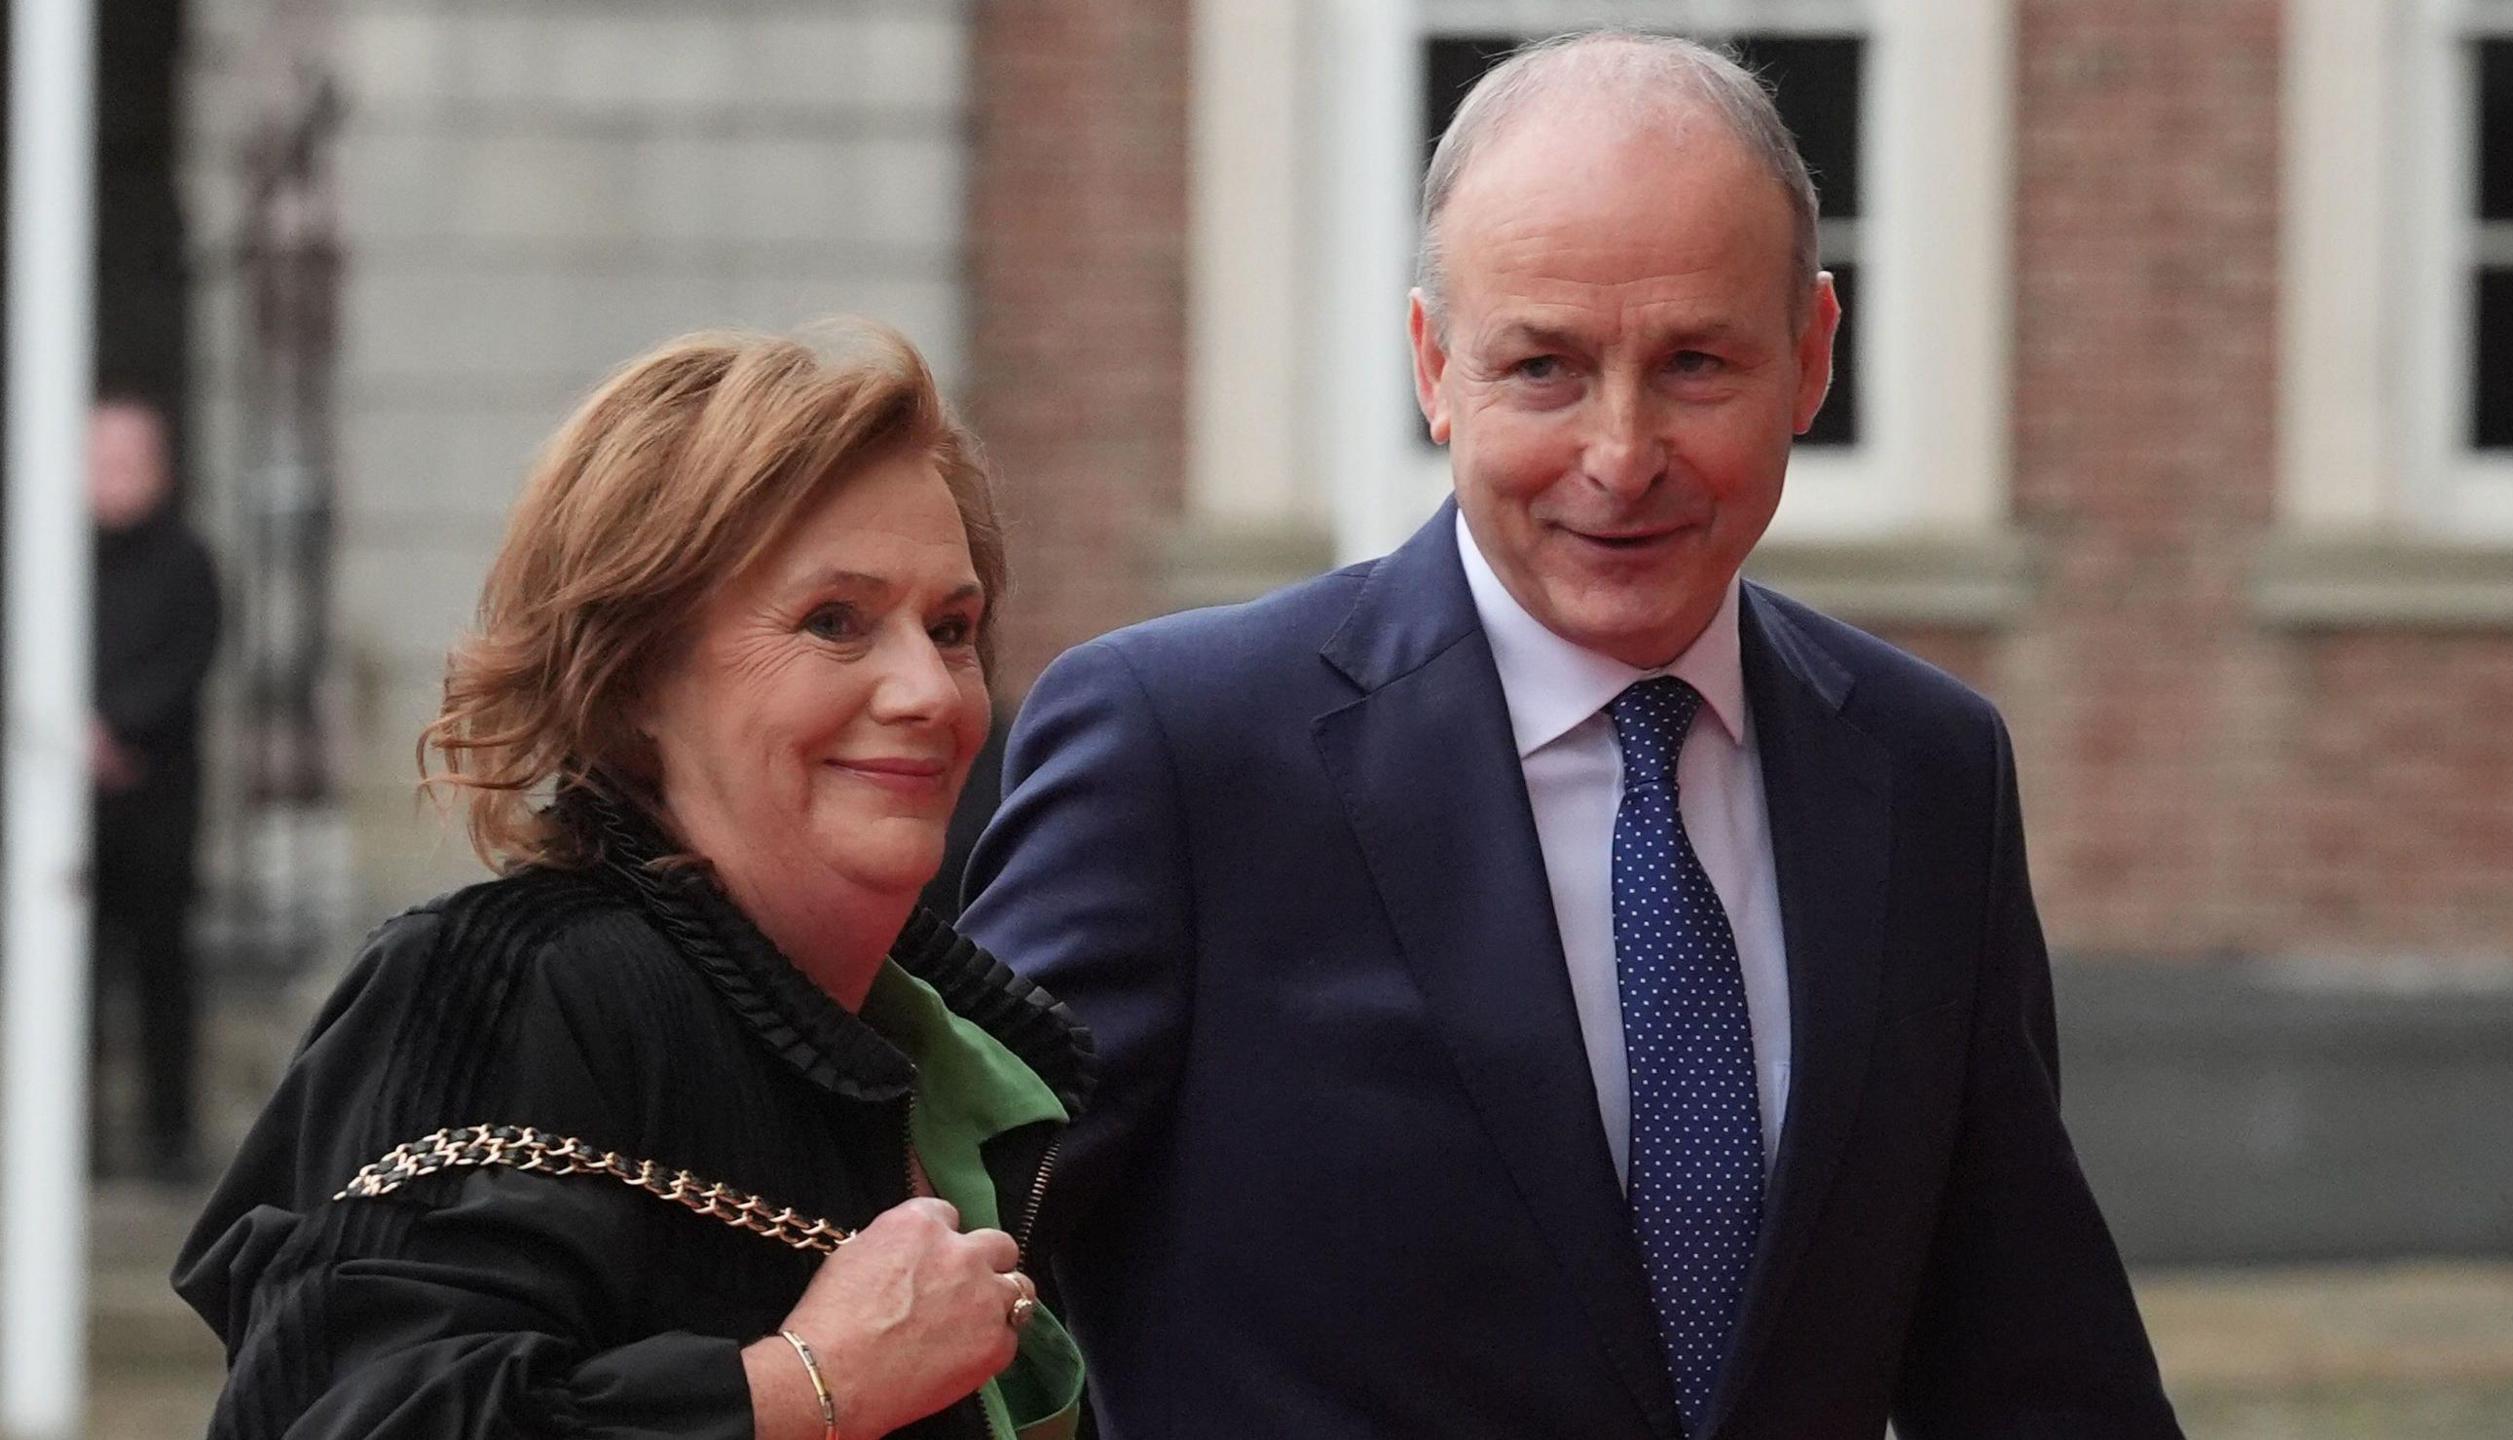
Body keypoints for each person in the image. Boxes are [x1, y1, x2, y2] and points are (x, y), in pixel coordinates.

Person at [961, 32, 2182, 1439]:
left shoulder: (1925, 770)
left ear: (1811, 356)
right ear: (1434, 367)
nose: (1621, 455)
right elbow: (937, 1274)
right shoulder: (1181, 752)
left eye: (1696, 363)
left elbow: (2032, 1359)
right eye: (1542, 367)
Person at [176, 323, 1094, 1440]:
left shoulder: (985, 1065)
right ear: (632, 677)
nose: (930, 693)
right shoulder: (510, 984)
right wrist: (807, 1384)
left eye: (950, 628)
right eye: (833, 623)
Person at [90, 390, 222, 1182]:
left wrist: (114, 730)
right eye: (98, 462)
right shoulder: (48, 556)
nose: (111, 479)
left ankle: (167, 1138)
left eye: (126, 462)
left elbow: (188, 659)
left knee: (162, 972)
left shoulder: (185, 561)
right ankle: (75, 1140)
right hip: (70, 809)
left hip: (157, 805)